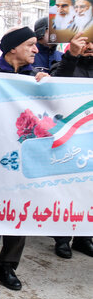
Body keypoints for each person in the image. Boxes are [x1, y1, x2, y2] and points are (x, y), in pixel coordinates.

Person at [0, 27, 50, 290]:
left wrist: (50, 87)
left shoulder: (36, 78)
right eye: (31, 45)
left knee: (21, 209)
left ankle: (7, 266)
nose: (36, 50)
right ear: (13, 48)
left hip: (26, 159)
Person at [49, 32, 93, 258]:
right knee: (68, 188)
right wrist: (72, 57)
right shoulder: (66, 64)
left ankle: (85, 238)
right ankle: (63, 238)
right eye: (87, 42)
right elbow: (55, 86)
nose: (90, 47)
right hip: (70, 140)